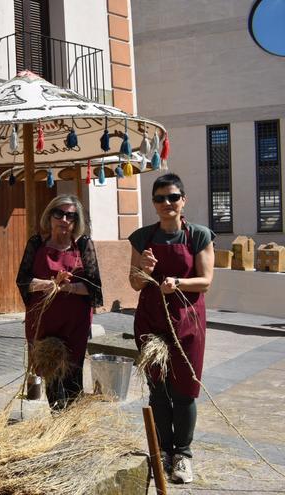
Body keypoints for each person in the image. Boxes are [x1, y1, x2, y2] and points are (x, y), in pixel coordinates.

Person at [129, 173, 214, 484]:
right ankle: (163, 450)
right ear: (153, 203)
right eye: (160, 198)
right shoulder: (141, 237)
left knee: (185, 390)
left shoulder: (199, 236)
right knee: (158, 390)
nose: (167, 203)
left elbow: (205, 281)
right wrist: (146, 270)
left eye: (173, 197)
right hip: (151, 321)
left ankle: (183, 455)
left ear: (183, 200)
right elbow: (134, 282)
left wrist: (178, 282)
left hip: (188, 322)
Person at [16, 194, 102, 410]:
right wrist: (50, 284)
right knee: (51, 377)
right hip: (44, 322)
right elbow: (23, 281)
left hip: (75, 324)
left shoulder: (83, 244)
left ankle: (72, 425)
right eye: (59, 213)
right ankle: (57, 420)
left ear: (77, 221)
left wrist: (68, 287)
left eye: (71, 216)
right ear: (50, 215)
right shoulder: (36, 243)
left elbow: (94, 288)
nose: (64, 219)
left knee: (73, 377)